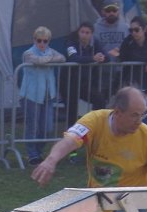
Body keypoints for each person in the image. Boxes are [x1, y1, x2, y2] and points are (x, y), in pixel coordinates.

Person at [62, 22, 109, 163]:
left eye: (87, 32)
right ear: (79, 32)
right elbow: (74, 58)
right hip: (68, 82)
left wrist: (102, 58)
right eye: (82, 32)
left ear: (91, 34)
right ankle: (72, 152)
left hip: (85, 83)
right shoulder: (71, 42)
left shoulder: (96, 43)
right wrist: (93, 59)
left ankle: (94, 140)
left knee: (100, 100)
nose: (84, 35)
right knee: (72, 115)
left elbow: (107, 57)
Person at [19, 26, 65, 166]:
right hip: (31, 96)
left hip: (48, 96)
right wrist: (50, 58)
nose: (42, 44)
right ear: (34, 40)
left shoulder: (50, 51)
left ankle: (38, 152)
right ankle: (32, 155)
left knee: (47, 128)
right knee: (33, 126)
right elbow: (38, 61)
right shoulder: (28, 53)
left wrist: (48, 58)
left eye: (45, 41)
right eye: (39, 40)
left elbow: (62, 58)